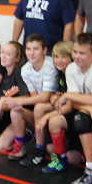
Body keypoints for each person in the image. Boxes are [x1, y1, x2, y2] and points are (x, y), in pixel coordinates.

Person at [44, 33, 92, 184]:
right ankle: (60, 160)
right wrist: (90, 108)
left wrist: (69, 96)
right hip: (86, 111)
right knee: (55, 121)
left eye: (82, 53)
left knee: (81, 118)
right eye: (75, 52)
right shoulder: (71, 68)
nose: (77, 56)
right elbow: (74, 102)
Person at [3, 33, 58, 160]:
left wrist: (16, 100)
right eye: (28, 49)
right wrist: (15, 103)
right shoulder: (25, 70)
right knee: (15, 111)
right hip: (42, 105)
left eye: (36, 49)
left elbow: (44, 97)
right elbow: (35, 97)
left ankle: (39, 150)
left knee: (38, 107)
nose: (31, 53)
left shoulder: (50, 66)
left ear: (44, 50)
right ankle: (20, 146)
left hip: (56, 105)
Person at [19, 40, 73, 168]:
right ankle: (40, 150)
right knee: (39, 108)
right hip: (63, 108)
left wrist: (47, 116)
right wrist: (55, 97)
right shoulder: (60, 73)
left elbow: (71, 104)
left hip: (74, 113)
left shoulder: (71, 72)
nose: (59, 60)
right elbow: (55, 94)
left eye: (64, 57)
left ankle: (60, 159)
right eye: (56, 57)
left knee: (73, 158)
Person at [0, 41, 29, 153]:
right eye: (2, 52)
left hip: (21, 116)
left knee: (1, 146)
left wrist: (2, 101)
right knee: (0, 147)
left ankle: (27, 134)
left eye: (8, 54)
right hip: (7, 117)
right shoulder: (1, 73)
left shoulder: (20, 73)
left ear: (17, 58)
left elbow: (26, 98)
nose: (3, 56)